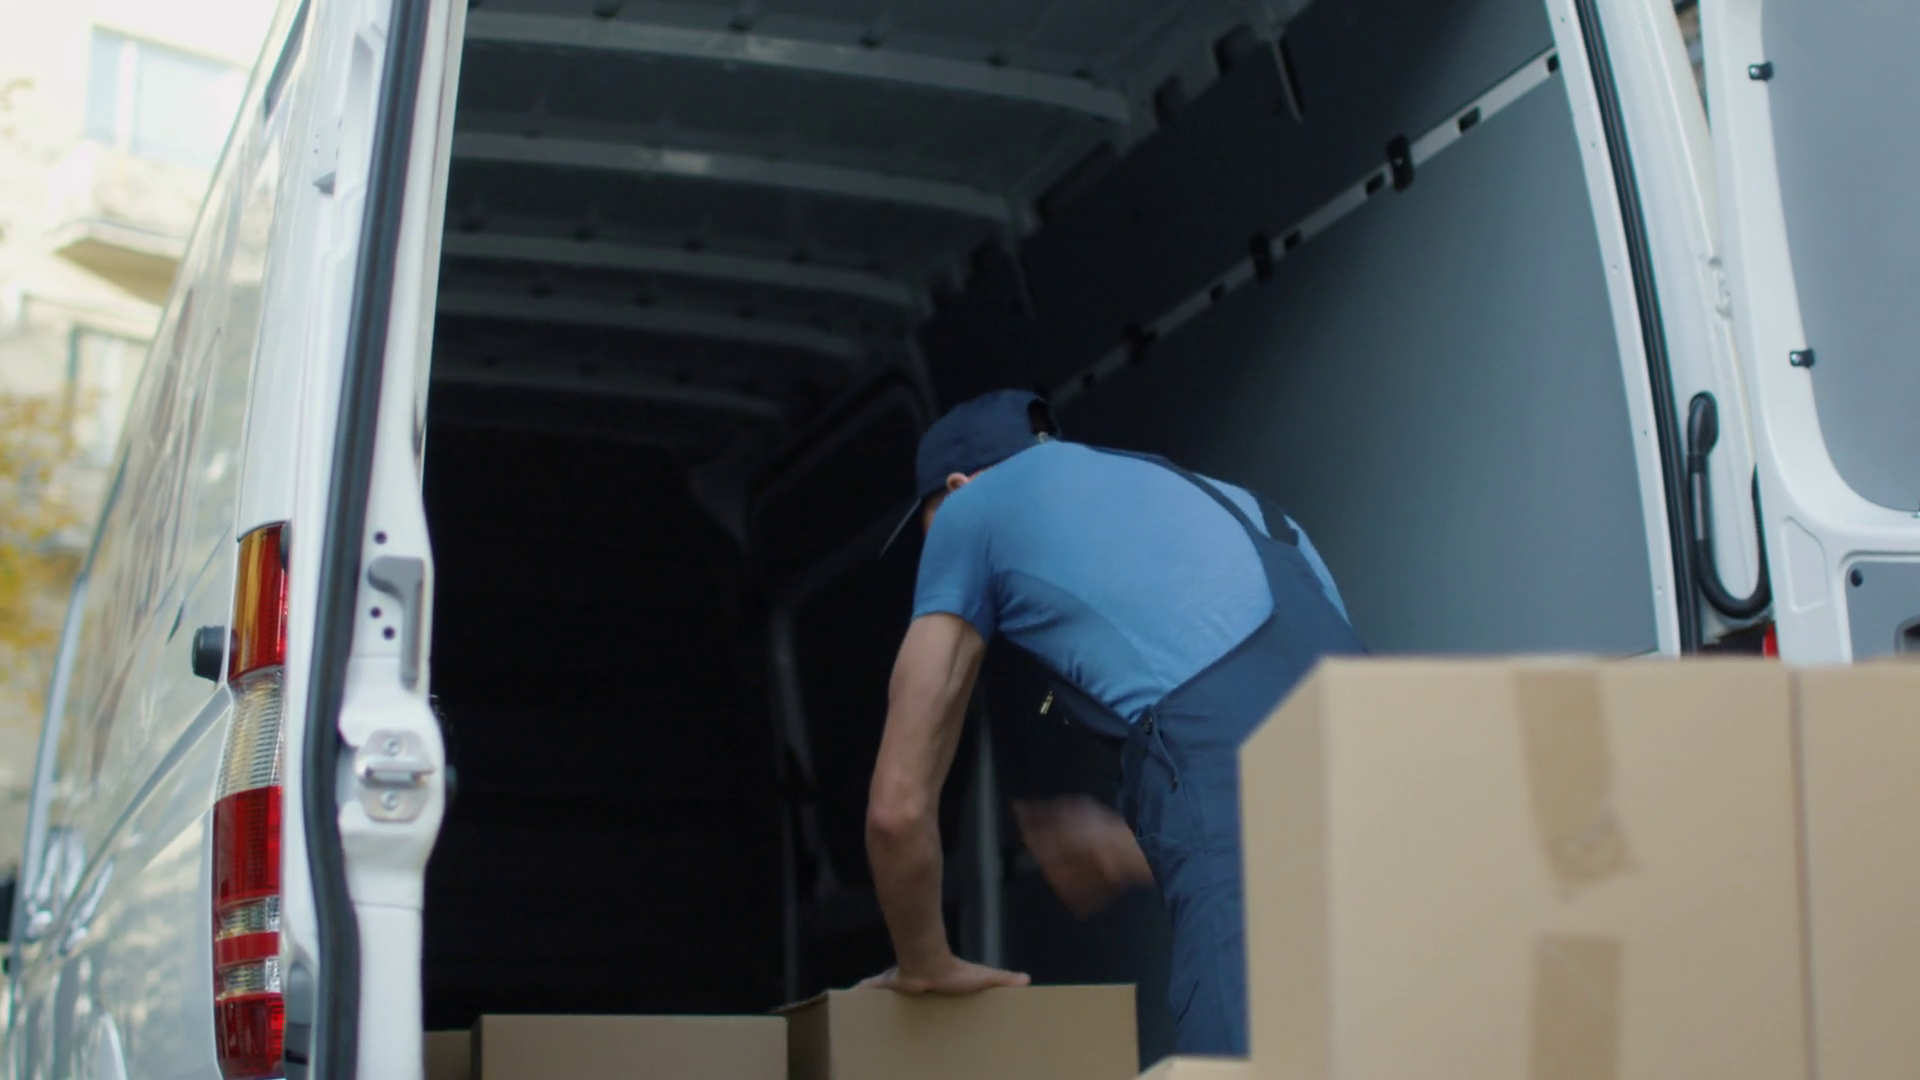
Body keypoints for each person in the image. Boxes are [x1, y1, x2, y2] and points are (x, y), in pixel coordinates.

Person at [856, 389, 1367, 1056]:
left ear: (956, 488)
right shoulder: (1240, 504)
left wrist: (926, 962)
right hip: (1392, 797)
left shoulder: (971, 511)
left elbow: (895, 812)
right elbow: (1295, 804)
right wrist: (1129, 844)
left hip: (1240, 794)